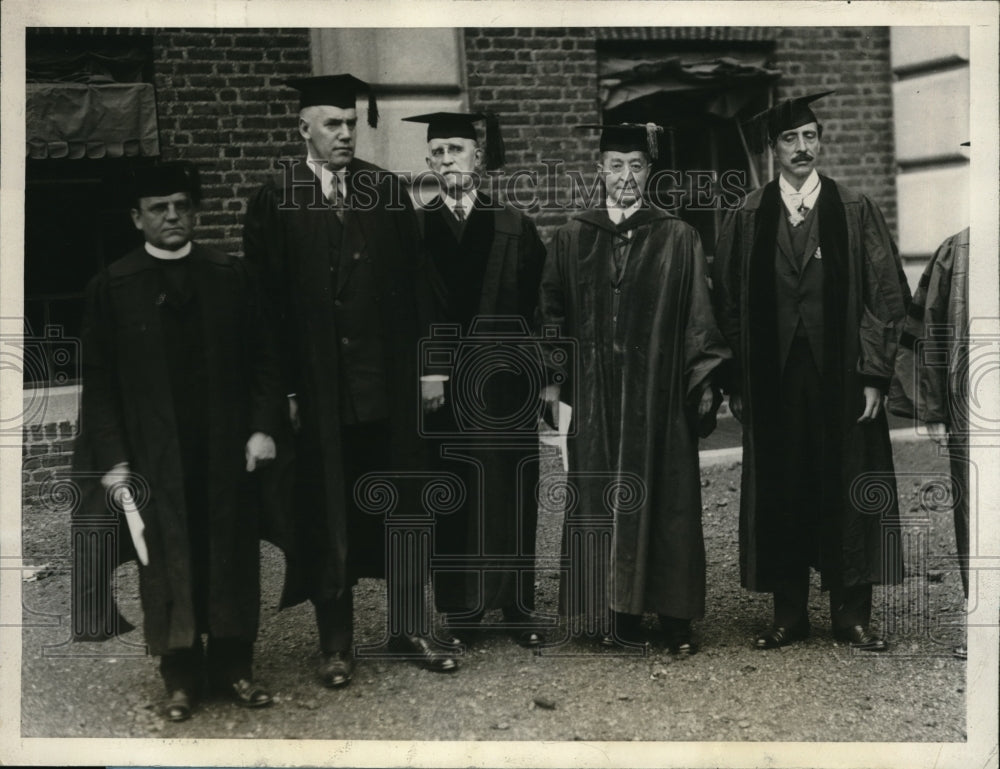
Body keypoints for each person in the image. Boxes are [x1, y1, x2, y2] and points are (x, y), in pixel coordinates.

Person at [243, 74, 457, 689]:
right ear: (303, 128)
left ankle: (409, 626)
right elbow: (262, 310)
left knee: (403, 504)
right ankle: (335, 642)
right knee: (326, 511)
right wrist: (282, 394)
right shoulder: (275, 198)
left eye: (350, 123)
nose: (344, 133)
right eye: (331, 123)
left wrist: (432, 366)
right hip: (318, 390)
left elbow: (419, 284)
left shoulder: (384, 190)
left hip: (388, 383)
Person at [72, 161, 282, 721]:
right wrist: (113, 457)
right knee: (164, 557)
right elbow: (99, 382)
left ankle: (236, 666)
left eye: (182, 206)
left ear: (195, 212)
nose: (172, 216)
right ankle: (180, 675)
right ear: (136, 217)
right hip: (153, 452)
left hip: (225, 448)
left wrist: (262, 427)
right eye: (158, 208)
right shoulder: (113, 286)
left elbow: (265, 359)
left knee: (231, 553)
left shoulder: (230, 274)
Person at [712, 91, 911, 652]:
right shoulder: (748, 215)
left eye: (810, 136)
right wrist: (736, 380)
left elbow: (885, 294)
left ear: (820, 141)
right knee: (784, 486)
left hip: (843, 376)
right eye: (789, 139)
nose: (802, 147)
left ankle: (851, 616)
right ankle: (789, 613)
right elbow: (727, 302)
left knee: (849, 483)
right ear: (772, 149)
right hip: (773, 379)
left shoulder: (854, 208)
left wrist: (874, 374)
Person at [537, 122, 731, 654]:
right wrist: (553, 382)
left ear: (650, 172)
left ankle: (674, 619)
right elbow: (551, 312)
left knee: (668, 500)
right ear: (600, 170)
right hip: (594, 396)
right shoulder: (573, 236)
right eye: (616, 165)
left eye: (637, 166)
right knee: (598, 496)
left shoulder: (678, 236)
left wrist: (703, 381)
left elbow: (699, 316)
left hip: (658, 395)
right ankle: (614, 615)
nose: (626, 176)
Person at [402, 111, 547, 648]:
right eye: (438, 152)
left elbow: (540, 307)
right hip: (442, 389)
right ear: (428, 161)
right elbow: (408, 311)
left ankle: (517, 607)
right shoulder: (415, 228)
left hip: (506, 385)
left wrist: (544, 378)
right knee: (454, 493)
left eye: (457, 150)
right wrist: (429, 370)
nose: (447, 161)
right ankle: (461, 612)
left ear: (478, 158)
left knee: (512, 490)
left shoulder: (514, 225)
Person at [890, 225, 970, 660]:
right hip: (972, 408)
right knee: (977, 512)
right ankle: (984, 617)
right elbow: (930, 329)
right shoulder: (957, 251)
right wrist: (935, 405)